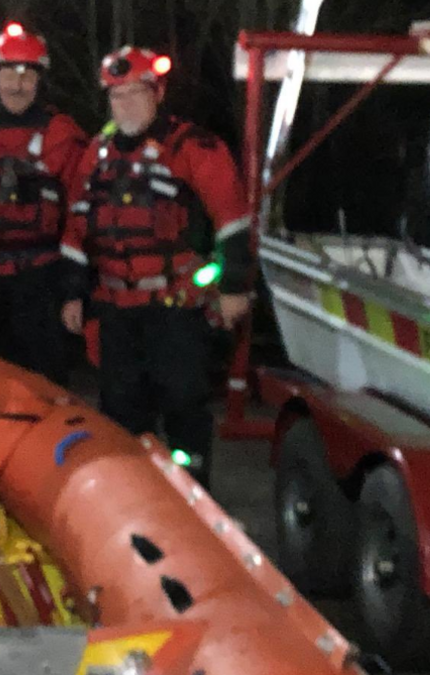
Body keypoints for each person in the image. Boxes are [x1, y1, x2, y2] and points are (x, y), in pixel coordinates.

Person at [59, 46, 254, 487]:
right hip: (115, 309)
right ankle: (134, 495)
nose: (125, 104)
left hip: (175, 306)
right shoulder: (96, 154)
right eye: (116, 96)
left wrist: (234, 286)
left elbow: (232, 218)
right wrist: (72, 291)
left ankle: (192, 492)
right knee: (121, 409)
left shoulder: (192, 148)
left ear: (157, 93)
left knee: (183, 402)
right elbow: (76, 227)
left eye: (135, 93)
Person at [0, 22, 86, 382]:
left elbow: (78, 214)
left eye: (27, 76)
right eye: (9, 74)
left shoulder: (63, 134)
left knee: (46, 382)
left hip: (41, 278)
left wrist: (74, 287)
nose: (17, 85)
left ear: (40, 80)